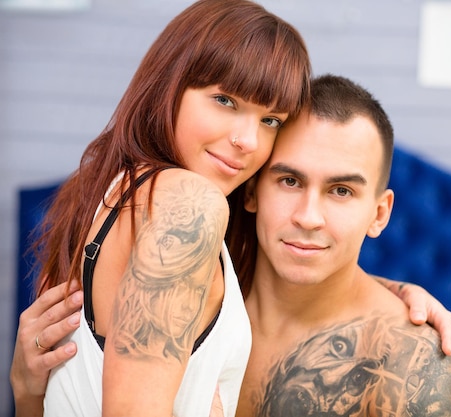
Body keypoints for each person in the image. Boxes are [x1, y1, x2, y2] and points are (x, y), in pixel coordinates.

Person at [18, 0, 311, 416]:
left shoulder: (106, 192)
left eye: (271, 120)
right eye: (225, 100)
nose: (248, 140)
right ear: (168, 85)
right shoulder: (189, 204)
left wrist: (396, 297)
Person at [235, 74, 451, 416]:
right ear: (252, 191)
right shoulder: (196, 296)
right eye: (289, 181)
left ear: (379, 214)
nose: (308, 217)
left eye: (341, 190)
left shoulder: (407, 364)